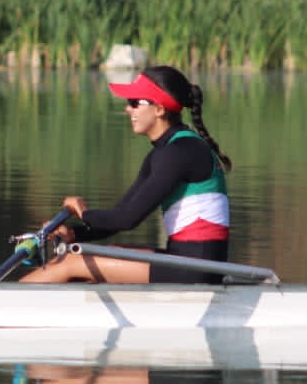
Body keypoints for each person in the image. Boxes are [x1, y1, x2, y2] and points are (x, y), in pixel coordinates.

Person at [20, 64, 233, 284]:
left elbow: (128, 219)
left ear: (159, 108)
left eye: (135, 103)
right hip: (188, 261)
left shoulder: (181, 152)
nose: (128, 110)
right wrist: (75, 234)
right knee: (108, 253)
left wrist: (83, 213)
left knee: (70, 262)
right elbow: (120, 213)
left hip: (197, 268)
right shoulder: (165, 152)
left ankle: (4, 305)